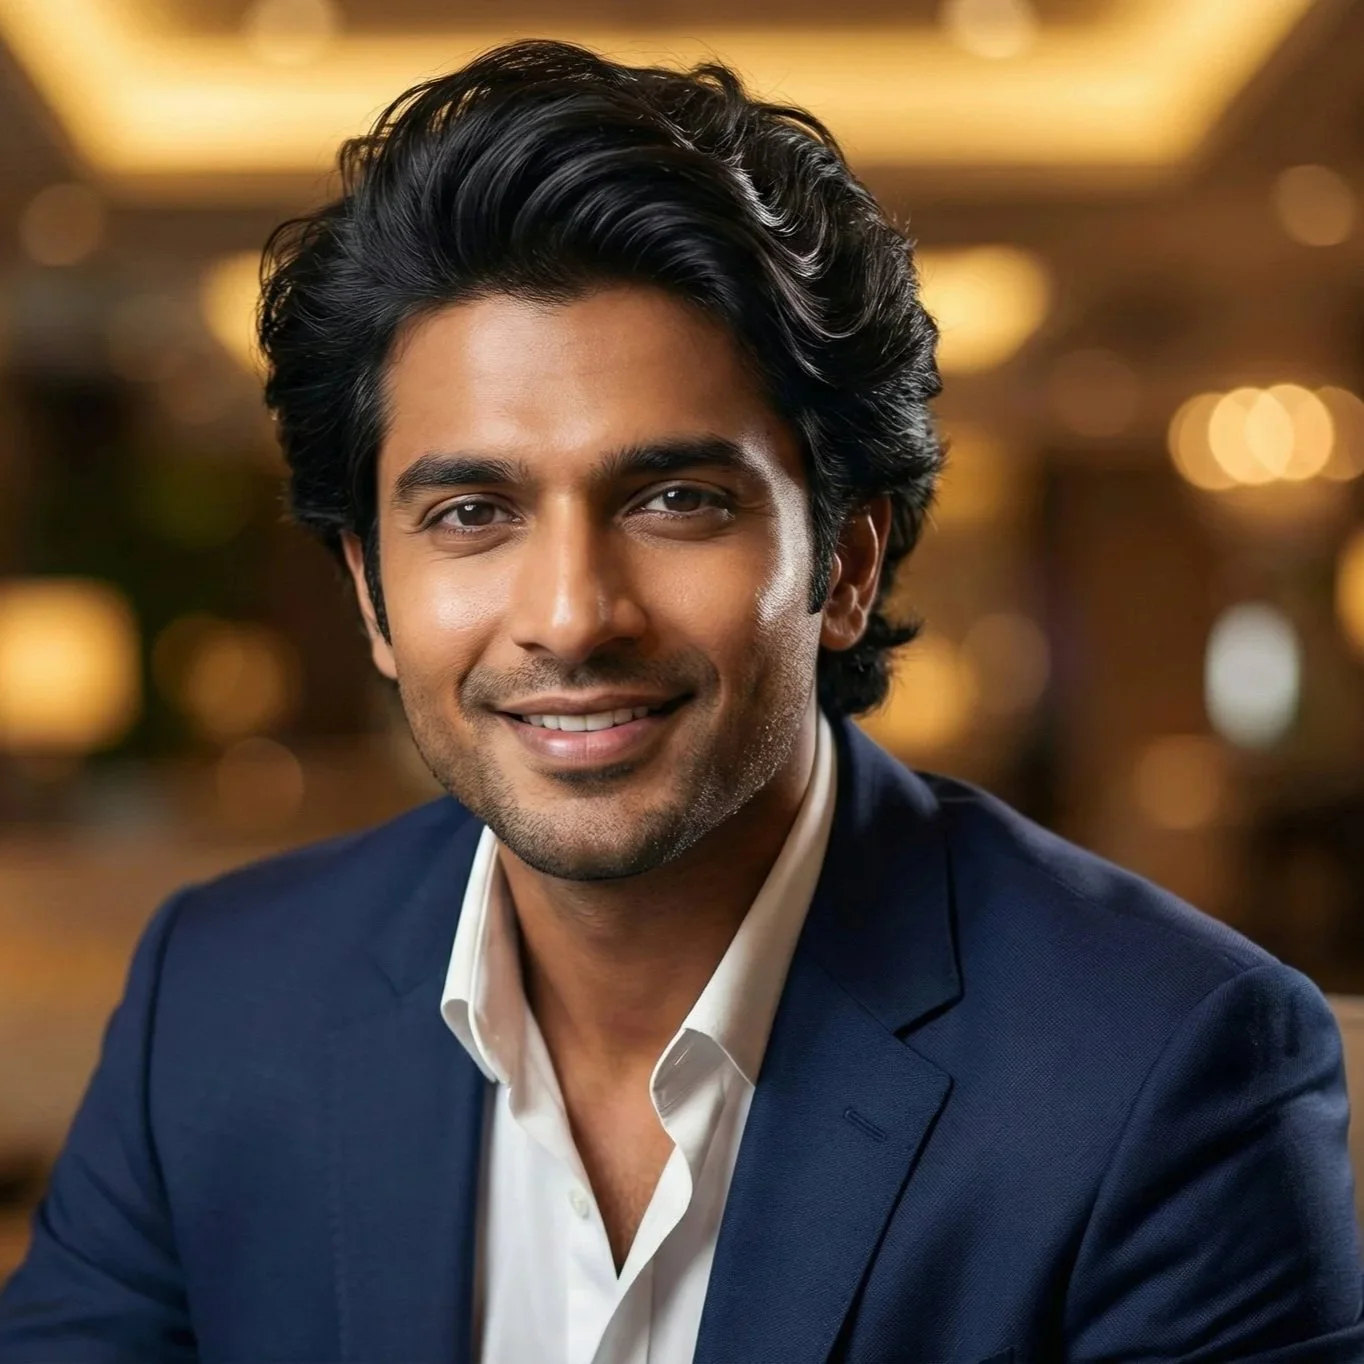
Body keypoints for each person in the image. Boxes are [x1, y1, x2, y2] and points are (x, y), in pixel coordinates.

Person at [0, 38, 1359, 1364]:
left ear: (845, 562)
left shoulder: (1168, 1063)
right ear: (371, 593)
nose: (574, 613)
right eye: (472, 512)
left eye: (675, 500)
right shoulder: (222, 1001)